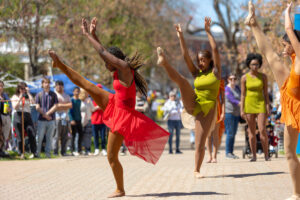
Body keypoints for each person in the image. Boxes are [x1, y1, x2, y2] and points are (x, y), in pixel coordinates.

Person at [48, 17, 169, 198]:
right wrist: (95, 35)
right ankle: (60, 64)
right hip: (114, 103)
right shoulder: (117, 68)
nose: (105, 65)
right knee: (86, 84)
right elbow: (104, 53)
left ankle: (120, 189)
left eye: (107, 62)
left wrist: (88, 35)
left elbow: (103, 52)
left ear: (115, 60)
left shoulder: (125, 67)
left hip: (123, 115)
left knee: (112, 157)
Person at [245, 1, 300, 198]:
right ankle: (297, 193)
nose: (284, 48)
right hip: (290, 98)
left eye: (286, 45)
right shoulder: (293, 62)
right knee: (289, 152)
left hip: (299, 104)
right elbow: (272, 50)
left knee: (272, 56)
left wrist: (287, 11)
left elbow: (288, 29)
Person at [157, 17, 221, 178]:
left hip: (207, 109)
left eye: (203, 60)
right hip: (194, 102)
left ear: (209, 61)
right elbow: (186, 56)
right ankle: (164, 62)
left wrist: (208, 32)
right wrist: (181, 37)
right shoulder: (196, 73)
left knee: (200, 143)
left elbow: (216, 50)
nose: (200, 63)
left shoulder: (216, 73)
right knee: (183, 81)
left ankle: (196, 170)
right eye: (198, 60)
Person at [240, 53, 270, 162]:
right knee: (251, 131)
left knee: (262, 129)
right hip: (249, 104)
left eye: (257, 64)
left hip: (261, 103)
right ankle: (254, 156)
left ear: (260, 64)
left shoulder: (263, 77)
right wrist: (241, 109)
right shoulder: (244, 78)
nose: (255, 66)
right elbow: (242, 95)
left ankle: (266, 155)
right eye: (252, 64)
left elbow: (266, 94)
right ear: (249, 65)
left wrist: (268, 106)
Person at [11, 82, 38, 158]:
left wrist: (28, 93)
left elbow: (33, 102)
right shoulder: (15, 96)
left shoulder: (27, 96)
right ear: (19, 89)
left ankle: (34, 152)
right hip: (18, 115)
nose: (23, 90)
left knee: (31, 132)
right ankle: (21, 153)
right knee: (20, 136)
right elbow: (15, 107)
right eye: (22, 88)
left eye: (24, 88)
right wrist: (20, 98)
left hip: (27, 115)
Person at [35, 77, 58, 158]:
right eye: (45, 82)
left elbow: (55, 106)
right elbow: (37, 107)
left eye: (48, 82)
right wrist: (45, 115)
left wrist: (47, 114)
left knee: (49, 137)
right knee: (39, 138)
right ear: (42, 84)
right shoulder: (39, 95)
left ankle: (48, 154)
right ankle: (37, 153)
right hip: (41, 120)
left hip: (51, 119)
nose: (47, 84)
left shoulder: (54, 94)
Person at [206, 80, 225, 163]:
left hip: (217, 108)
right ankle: (209, 156)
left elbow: (223, 99)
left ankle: (215, 156)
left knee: (215, 134)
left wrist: (223, 112)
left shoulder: (220, 81)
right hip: (206, 107)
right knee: (208, 134)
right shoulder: (203, 79)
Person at [53, 80, 72, 156]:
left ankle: (63, 151)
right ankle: (55, 152)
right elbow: (55, 106)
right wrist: (64, 105)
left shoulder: (66, 95)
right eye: (57, 85)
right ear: (55, 86)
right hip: (56, 118)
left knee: (65, 136)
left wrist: (60, 105)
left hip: (65, 118)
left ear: (63, 86)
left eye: (60, 85)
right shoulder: (53, 95)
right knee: (56, 136)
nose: (59, 87)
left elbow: (70, 105)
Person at [224, 74, 240, 159]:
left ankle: (231, 152)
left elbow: (242, 96)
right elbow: (231, 99)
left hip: (237, 114)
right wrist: (240, 103)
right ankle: (228, 152)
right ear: (228, 80)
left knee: (234, 133)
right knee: (230, 133)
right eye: (231, 79)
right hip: (229, 113)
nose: (233, 80)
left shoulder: (237, 88)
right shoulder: (227, 89)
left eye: (235, 79)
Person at [91, 84, 108, 156]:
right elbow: (91, 109)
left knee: (103, 136)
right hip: (94, 120)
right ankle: (96, 149)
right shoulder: (92, 99)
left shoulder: (104, 99)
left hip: (103, 120)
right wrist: (97, 107)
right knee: (95, 136)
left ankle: (103, 149)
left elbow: (106, 108)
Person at [79, 89, 94, 155]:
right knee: (80, 135)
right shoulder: (79, 100)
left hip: (88, 120)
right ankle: (80, 149)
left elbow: (93, 109)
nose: (87, 94)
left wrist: (97, 107)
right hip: (80, 120)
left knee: (88, 135)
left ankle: (88, 149)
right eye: (86, 92)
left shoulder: (89, 100)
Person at [69, 87, 83, 156]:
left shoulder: (80, 101)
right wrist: (71, 119)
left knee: (81, 134)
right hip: (73, 120)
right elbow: (69, 111)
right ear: (73, 92)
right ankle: (72, 150)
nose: (77, 93)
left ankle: (79, 150)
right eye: (76, 91)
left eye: (78, 91)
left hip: (79, 119)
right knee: (73, 135)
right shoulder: (71, 100)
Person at [0, 80, 12, 155]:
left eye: (1, 86)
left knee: (5, 134)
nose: (0, 87)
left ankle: (2, 150)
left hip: (6, 116)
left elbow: (9, 105)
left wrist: (9, 109)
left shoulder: (5, 95)